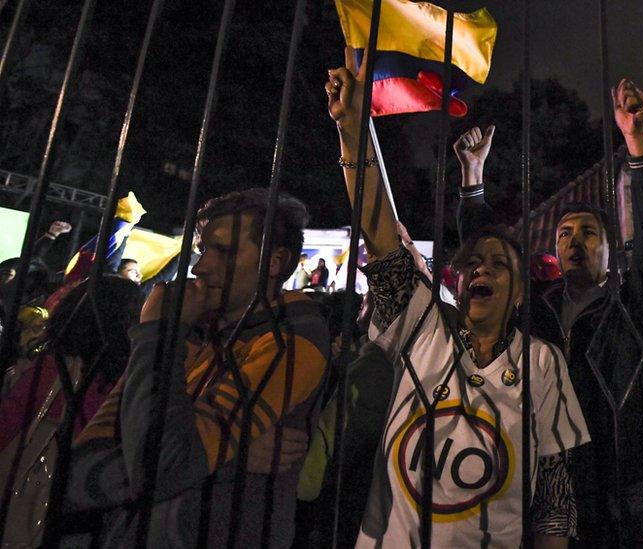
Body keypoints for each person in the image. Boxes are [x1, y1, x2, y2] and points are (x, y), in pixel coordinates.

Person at [327, 52, 590, 547]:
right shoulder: (424, 326)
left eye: (499, 265)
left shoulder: (542, 361)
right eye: (472, 263)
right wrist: (351, 129)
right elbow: (379, 227)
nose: (482, 270)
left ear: (518, 296)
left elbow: (555, 493)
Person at [454, 82, 643, 544]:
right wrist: (473, 179)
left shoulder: (631, 307)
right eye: (564, 234)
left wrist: (638, 146)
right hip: (544, 491)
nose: (574, 242)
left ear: (611, 250)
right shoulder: (536, 311)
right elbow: (488, 260)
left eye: (588, 233)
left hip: (619, 494)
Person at [65, 188, 330, 547]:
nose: (201, 266)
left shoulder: (293, 343)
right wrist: (226, 461)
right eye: (204, 250)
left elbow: (157, 467)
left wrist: (158, 334)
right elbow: (79, 472)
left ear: (274, 263)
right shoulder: (191, 330)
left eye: (224, 251)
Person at [0, 275, 140, 547]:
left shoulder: (53, 370)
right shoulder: (134, 380)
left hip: (33, 507)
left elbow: (6, 425)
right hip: (95, 514)